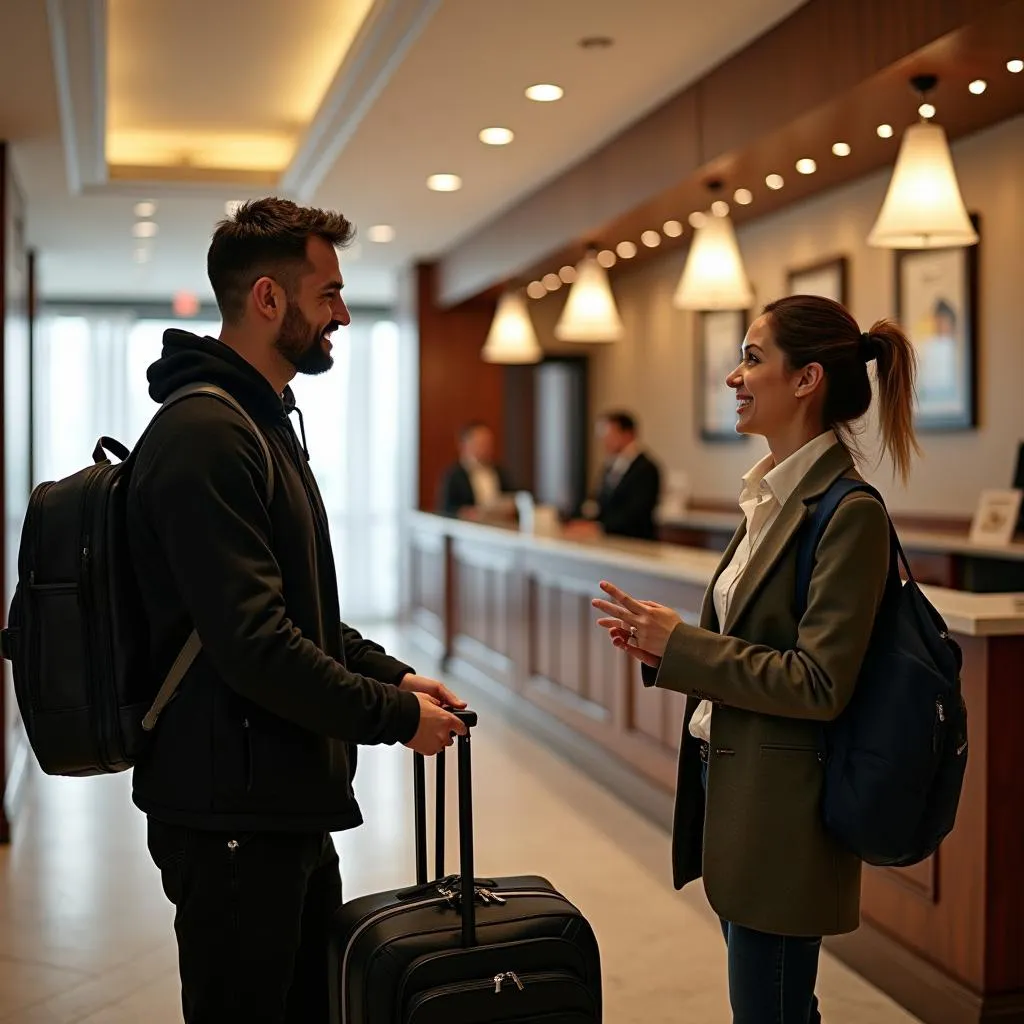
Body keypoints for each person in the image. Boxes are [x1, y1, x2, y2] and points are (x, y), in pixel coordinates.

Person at [126, 197, 467, 1024]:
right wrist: (393, 716)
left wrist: (393, 674)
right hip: (230, 811)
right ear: (269, 299)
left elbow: (303, 612)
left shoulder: (259, 421)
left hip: (276, 799)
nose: (342, 315)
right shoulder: (207, 434)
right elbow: (256, 646)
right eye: (330, 295)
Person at [591, 295, 920, 1023]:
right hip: (737, 795)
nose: (734, 377)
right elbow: (748, 644)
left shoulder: (848, 511)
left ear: (806, 380)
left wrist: (681, 644)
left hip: (785, 814)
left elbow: (820, 682)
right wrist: (663, 646)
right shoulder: (770, 496)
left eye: (751, 357)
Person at [567, 411, 661, 540]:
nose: (605, 440)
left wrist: (599, 527)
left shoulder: (646, 468)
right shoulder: (611, 466)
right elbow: (598, 500)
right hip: (608, 541)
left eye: (610, 435)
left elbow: (636, 512)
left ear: (627, 435)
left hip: (635, 542)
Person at [435, 421, 513, 518]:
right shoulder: (453, 475)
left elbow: (511, 496)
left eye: (488, 443)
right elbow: (446, 509)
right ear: (465, 445)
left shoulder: (499, 471)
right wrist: (463, 512)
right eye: (480, 443)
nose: (485, 448)